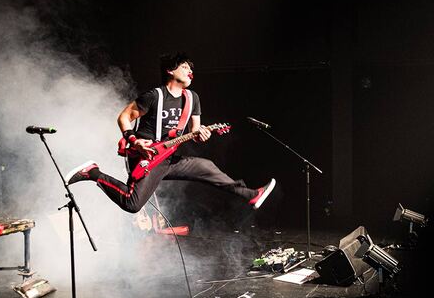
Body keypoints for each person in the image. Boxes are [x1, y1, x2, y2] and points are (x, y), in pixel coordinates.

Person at [64, 52, 276, 214]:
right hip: (146, 156)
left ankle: (251, 194)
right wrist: (134, 140)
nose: (190, 71)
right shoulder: (154, 96)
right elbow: (124, 117)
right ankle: (93, 172)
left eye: (191, 68)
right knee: (132, 204)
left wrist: (203, 133)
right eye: (184, 67)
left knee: (206, 167)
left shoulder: (192, 98)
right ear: (170, 70)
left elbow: (195, 131)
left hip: (169, 157)